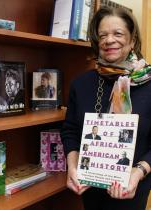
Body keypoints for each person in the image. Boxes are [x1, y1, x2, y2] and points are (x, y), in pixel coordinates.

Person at [61, 6, 151, 210]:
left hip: (133, 190)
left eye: (118, 33)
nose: (109, 40)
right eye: (103, 35)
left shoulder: (149, 84)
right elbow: (71, 131)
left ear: (132, 40)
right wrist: (73, 167)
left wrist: (137, 173)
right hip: (90, 190)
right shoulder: (80, 84)